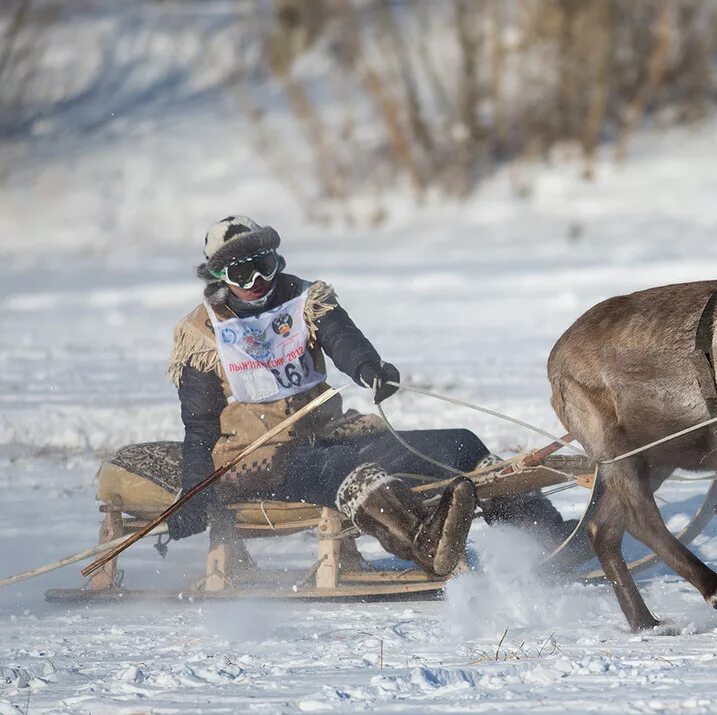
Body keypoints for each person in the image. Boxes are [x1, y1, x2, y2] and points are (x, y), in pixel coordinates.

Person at [166, 216, 566, 576]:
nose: (257, 283)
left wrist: (369, 369)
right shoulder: (201, 334)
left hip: (326, 433)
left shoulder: (303, 299)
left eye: (264, 267)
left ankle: (545, 537)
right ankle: (424, 545)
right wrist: (194, 491)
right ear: (220, 279)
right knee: (348, 469)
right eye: (242, 274)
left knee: (461, 443)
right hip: (257, 456)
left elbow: (343, 340)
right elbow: (199, 427)